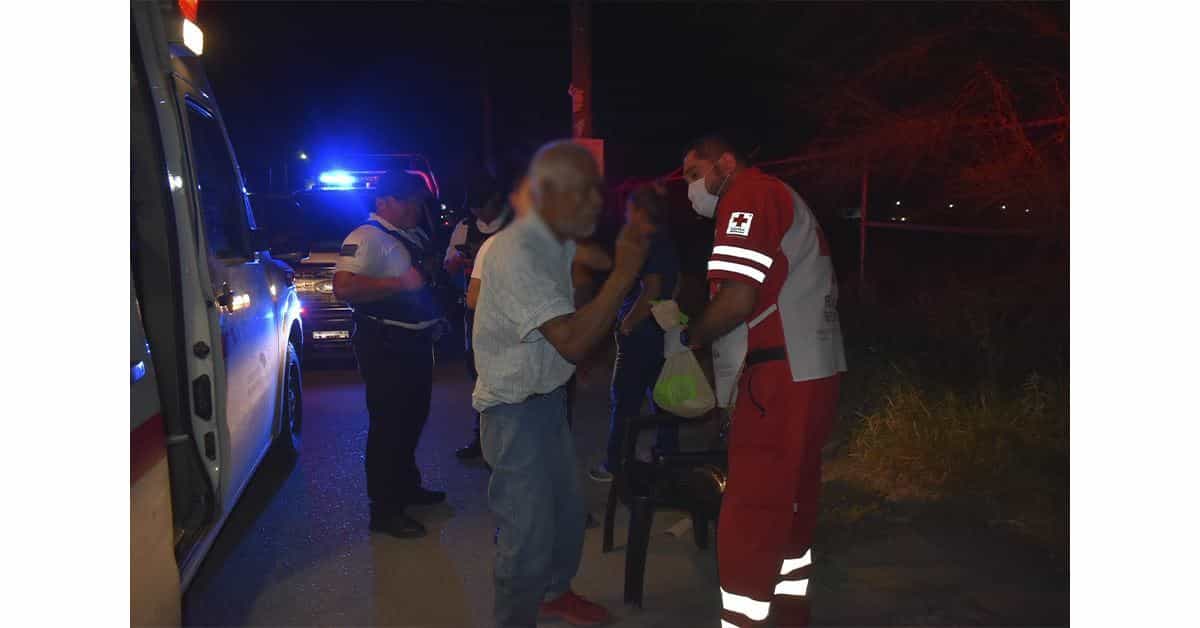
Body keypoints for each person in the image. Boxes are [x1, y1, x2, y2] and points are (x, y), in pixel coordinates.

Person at [472, 141, 652, 628]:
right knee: (526, 536)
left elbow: (586, 258)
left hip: (547, 402)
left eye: (597, 191)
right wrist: (624, 274)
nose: (595, 202)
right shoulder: (513, 253)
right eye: (582, 192)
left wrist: (622, 251)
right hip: (512, 412)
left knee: (567, 518)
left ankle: (555, 593)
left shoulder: (555, 242)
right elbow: (572, 340)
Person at [675, 136, 846, 627]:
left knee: (751, 509)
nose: (689, 189)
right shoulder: (780, 196)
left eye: (693, 174)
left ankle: (743, 621)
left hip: (780, 375)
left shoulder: (746, 195)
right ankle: (790, 614)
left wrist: (692, 335)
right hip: (812, 369)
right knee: (793, 501)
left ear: (725, 164)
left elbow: (735, 303)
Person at [332, 171, 449, 540]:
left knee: (413, 418)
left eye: (419, 202)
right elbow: (343, 288)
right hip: (385, 345)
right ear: (385, 202)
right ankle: (384, 510)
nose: (417, 208)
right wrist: (400, 284)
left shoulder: (410, 234)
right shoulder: (365, 238)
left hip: (414, 342)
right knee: (389, 425)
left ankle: (406, 487)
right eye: (410, 201)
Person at [589, 184, 681, 482]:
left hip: (641, 334)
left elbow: (651, 288)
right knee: (662, 397)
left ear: (640, 212)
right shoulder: (666, 240)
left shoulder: (650, 243)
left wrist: (626, 323)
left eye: (628, 210)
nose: (625, 216)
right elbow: (674, 284)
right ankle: (667, 455)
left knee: (625, 400)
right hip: (660, 330)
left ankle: (616, 463)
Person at [445, 173, 515, 461]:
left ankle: (509, 439)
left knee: (510, 375)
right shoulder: (464, 227)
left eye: (481, 207)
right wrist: (458, 264)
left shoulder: (515, 226)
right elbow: (448, 264)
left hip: (511, 312)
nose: (477, 214)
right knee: (480, 374)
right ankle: (483, 438)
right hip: (476, 311)